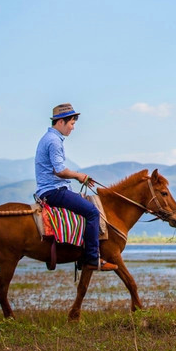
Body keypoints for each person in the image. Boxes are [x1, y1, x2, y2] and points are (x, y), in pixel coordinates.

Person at [34, 103, 116, 271]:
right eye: (71, 123)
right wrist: (79, 176)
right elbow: (59, 171)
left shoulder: (49, 138)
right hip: (54, 191)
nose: (73, 128)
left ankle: (80, 254)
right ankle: (92, 258)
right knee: (93, 212)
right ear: (60, 122)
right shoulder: (54, 141)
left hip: (51, 189)